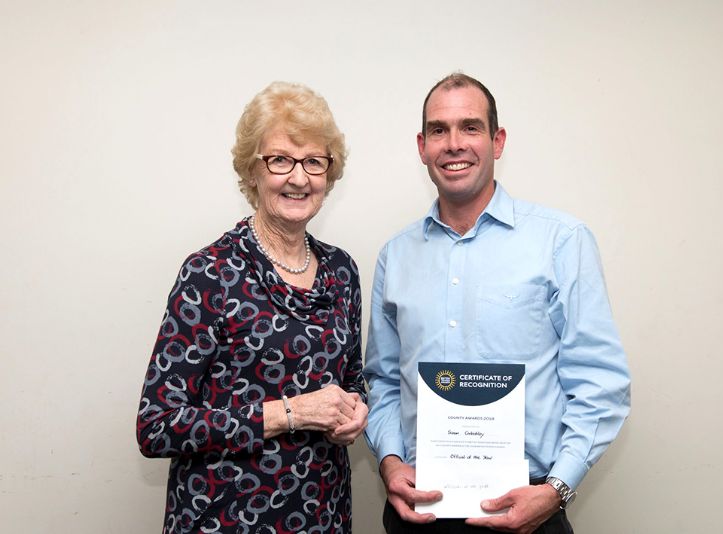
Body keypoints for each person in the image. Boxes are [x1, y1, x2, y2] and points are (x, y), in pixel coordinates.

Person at [364, 73, 631, 534]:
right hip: (419, 511)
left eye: (470, 127)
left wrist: (557, 489)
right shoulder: (397, 256)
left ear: (497, 140)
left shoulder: (561, 241)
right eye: (438, 130)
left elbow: (600, 380)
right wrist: (389, 462)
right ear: (422, 146)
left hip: (528, 510)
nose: (453, 144)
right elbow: (383, 381)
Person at [137, 81, 367, 534]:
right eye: (280, 160)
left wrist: (357, 409)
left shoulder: (342, 271)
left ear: (329, 173)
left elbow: (352, 379)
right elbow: (157, 424)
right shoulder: (210, 273)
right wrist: (292, 413)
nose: (299, 177)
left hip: (323, 514)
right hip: (224, 517)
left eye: (314, 161)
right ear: (252, 171)